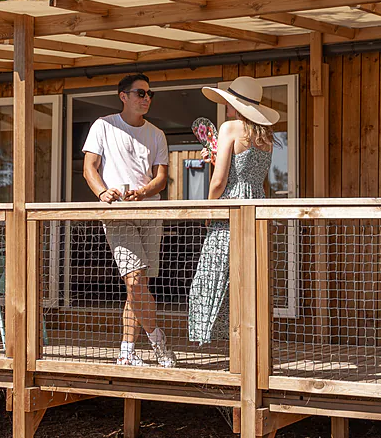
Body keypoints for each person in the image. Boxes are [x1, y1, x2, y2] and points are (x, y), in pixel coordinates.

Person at [82, 73, 177, 367]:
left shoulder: (157, 134)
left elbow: (161, 179)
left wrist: (143, 191)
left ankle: (126, 351)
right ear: (123, 96)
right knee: (135, 280)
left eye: (150, 94)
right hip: (119, 214)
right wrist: (103, 193)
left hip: (150, 212)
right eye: (140, 93)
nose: (146, 98)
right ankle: (158, 341)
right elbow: (90, 168)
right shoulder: (104, 126)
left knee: (138, 287)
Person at [188, 76, 279, 344]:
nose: (226, 108)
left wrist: (209, 210)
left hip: (231, 208)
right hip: (257, 205)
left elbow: (219, 182)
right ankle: (249, 341)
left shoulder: (230, 128)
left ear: (235, 105)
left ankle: (213, 336)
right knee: (246, 277)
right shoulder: (266, 135)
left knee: (212, 276)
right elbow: (251, 175)